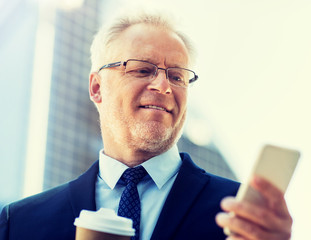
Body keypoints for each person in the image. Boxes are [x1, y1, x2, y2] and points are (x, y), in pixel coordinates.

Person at [0, 11, 292, 240]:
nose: (164, 86)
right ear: (97, 88)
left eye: (177, 76)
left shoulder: (242, 218)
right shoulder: (20, 222)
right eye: (142, 69)